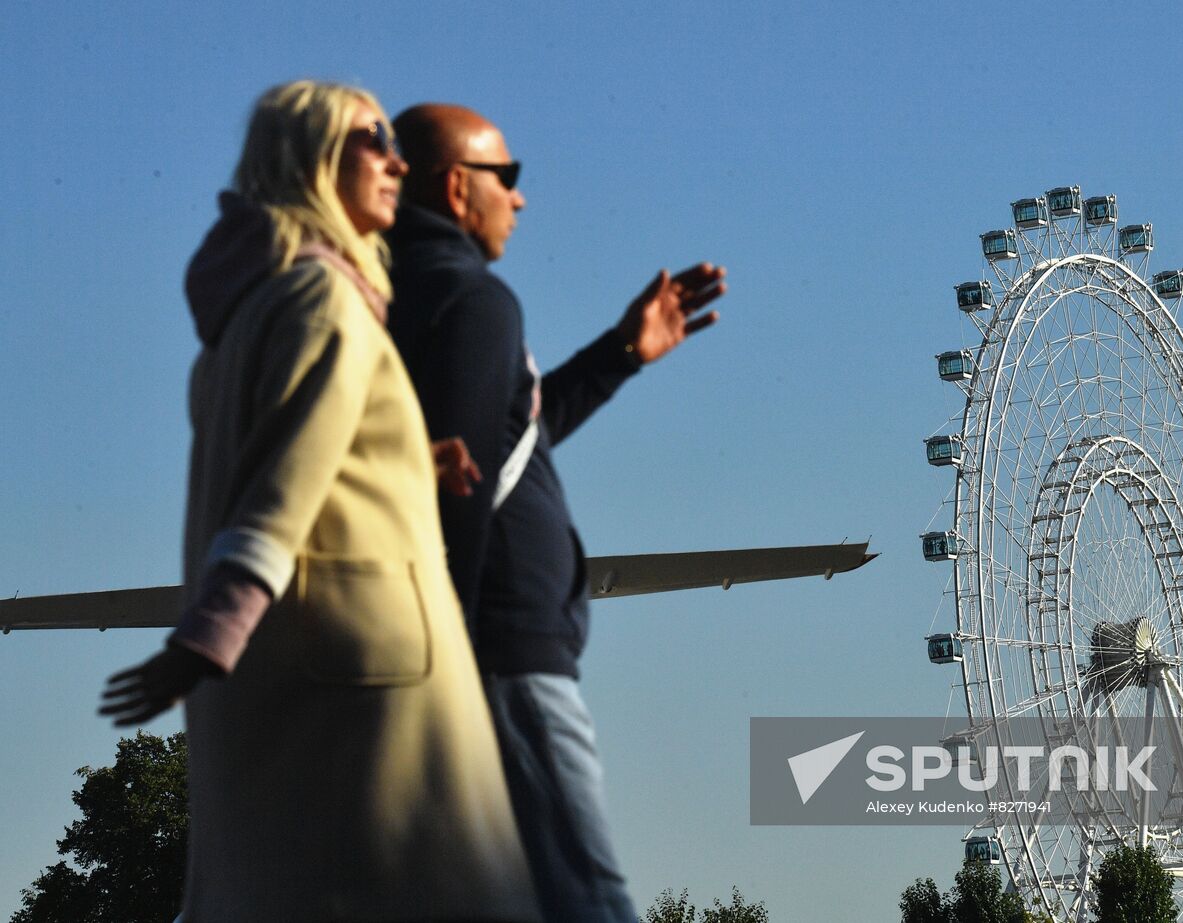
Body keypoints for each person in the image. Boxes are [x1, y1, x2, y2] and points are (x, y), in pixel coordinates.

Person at [100, 82, 539, 923]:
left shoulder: (240, 321)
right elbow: (283, 486)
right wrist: (207, 634)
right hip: (370, 672)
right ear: (312, 162)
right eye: (373, 140)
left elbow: (293, 456)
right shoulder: (325, 297)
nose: (396, 162)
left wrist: (408, 459)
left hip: (275, 666)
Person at [385, 103, 726, 922]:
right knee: (588, 898)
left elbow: (501, 443)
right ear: (456, 186)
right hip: (501, 659)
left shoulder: (391, 298)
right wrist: (449, 670)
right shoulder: (474, 300)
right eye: (510, 177)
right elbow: (458, 490)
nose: (522, 199)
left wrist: (619, 355)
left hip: (460, 652)